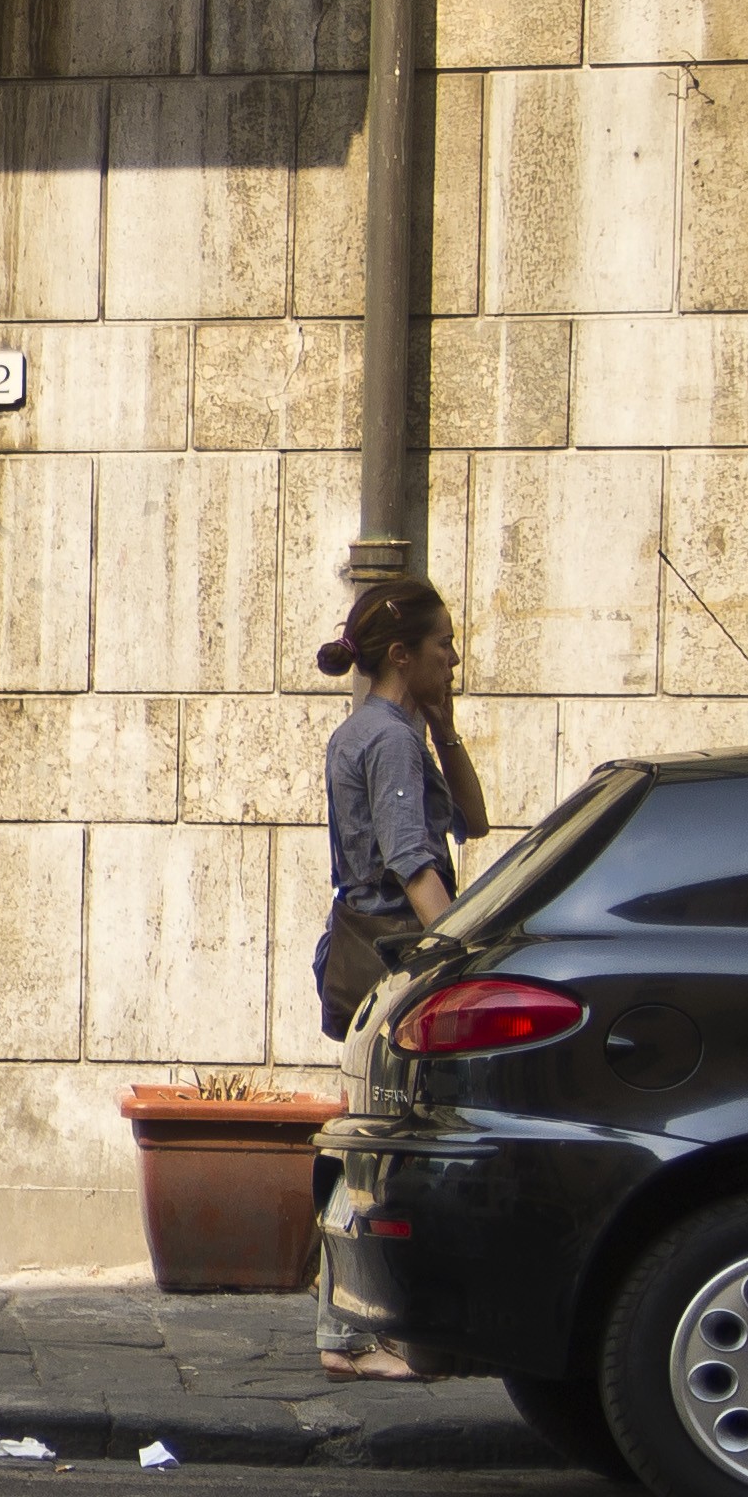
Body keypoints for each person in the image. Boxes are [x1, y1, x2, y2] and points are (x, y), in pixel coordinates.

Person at [312, 576, 489, 1381]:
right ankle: (353, 1335)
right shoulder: (383, 739)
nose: (454, 657)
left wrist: (445, 729)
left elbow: (475, 821)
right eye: (443, 644)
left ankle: (363, 1329)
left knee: (375, 1142)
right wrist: (460, 951)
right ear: (401, 654)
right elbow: (412, 859)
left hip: (369, 945)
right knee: (377, 1149)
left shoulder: (385, 730)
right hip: (390, 953)